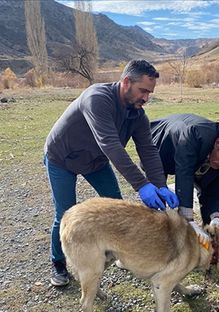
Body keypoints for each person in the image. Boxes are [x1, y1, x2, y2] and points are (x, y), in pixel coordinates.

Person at [44, 60, 179, 287]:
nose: (146, 98)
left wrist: (160, 184)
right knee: (65, 212)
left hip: (95, 161)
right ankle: (58, 264)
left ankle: (117, 252)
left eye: (150, 93)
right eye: (143, 90)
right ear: (126, 82)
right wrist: (141, 185)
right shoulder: (97, 98)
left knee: (117, 207)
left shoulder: (137, 115)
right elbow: (110, 145)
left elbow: (148, 150)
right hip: (62, 158)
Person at [149, 113, 219, 240]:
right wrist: (187, 219)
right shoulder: (194, 135)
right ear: (217, 144)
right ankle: (155, 241)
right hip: (161, 146)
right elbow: (184, 174)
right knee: (157, 201)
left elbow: (215, 190)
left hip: (196, 154)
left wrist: (215, 218)